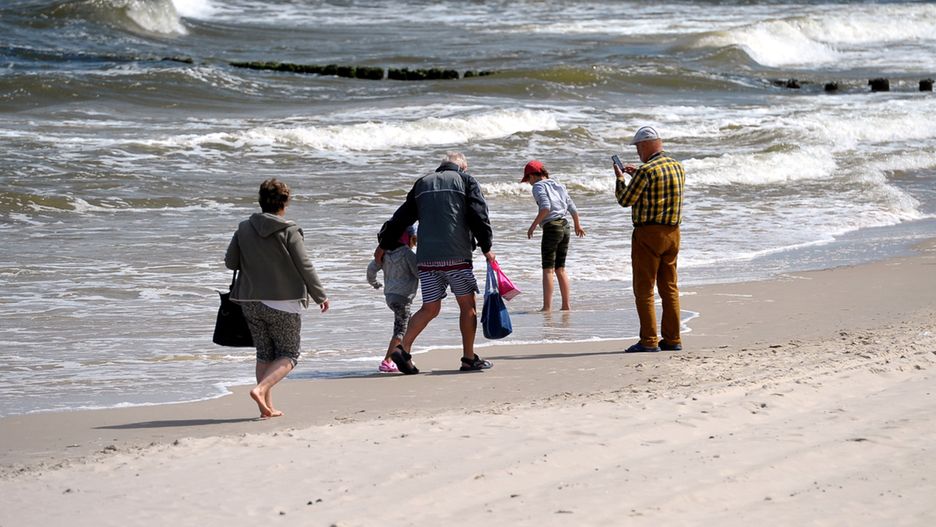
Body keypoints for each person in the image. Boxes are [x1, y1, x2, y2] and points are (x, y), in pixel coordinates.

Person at [374, 151, 496, 374]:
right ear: (462, 167)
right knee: (467, 306)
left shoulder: (423, 183)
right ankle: (469, 358)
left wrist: (384, 244)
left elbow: (401, 217)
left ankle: (403, 349)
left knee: (430, 307)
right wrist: (486, 246)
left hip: (427, 259)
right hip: (457, 256)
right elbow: (479, 214)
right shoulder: (465, 180)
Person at [225, 178, 329, 418]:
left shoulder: (243, 228)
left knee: (264, 353)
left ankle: (266, 408)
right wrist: (319, 295)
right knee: (290, 354)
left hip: (250, 301)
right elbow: (304, 265)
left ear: (260, 201)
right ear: (285, 203)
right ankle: (261, 390)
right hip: (283, 301)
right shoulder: (289, 230)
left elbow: (231, 262)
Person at [613, 126, 685, 353]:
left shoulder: (646, 171)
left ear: (645, 145)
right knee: (669, 288)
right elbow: (660, 190)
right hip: (673, 232)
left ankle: (649, 340)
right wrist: (637, 175)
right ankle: (672, 339)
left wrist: (620, 179)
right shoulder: (677, 166)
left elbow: (625, 200)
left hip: (648, 234)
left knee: (644, 289)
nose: (637, 152)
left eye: (637, 147)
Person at [521, 160, 586, 311]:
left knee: (548, 269)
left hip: (552, 228)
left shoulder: (537, 186)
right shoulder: (558, 184)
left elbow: (545, 207)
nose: (529, 183)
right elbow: (572, 207)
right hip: (565, 226)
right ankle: (566, 305)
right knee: (560, 268)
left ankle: (547, 307)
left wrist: (533, 225)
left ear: (533, 176)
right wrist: (578, 225)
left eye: (528, 179)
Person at [367, 224, 418, 373]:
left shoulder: (385, 254)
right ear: (408, 238)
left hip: (390, 296)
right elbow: (417, 272)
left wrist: (375, 283)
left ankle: (403, 355)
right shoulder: (408, 254)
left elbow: (371, 269)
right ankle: (387, 361)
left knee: (408, 324)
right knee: (401, 331)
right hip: (403, 297)